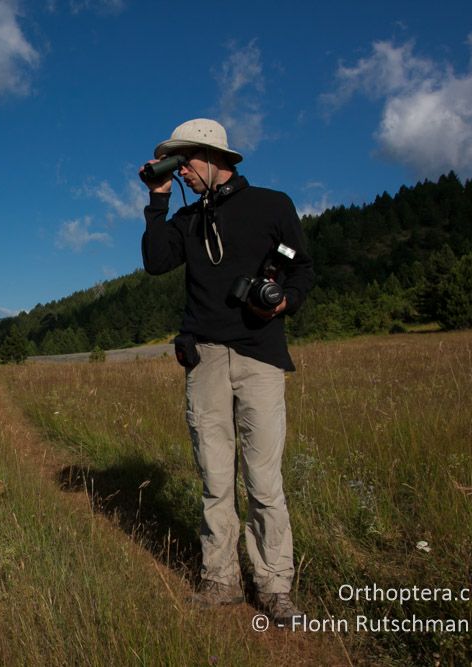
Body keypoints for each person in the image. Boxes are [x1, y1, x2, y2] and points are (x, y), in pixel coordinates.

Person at [140, 118, 314, 626]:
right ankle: (221, 581)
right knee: (216, 480)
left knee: (264, 481)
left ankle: (275, 587)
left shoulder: (271, 204)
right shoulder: (188, 220)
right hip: (206, 359)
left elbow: (303, 267)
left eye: (185, 162)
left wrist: (284, 303)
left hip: (260, 357)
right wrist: (158, 199)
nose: (184, 174)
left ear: (213, 157)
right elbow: (154, 261)